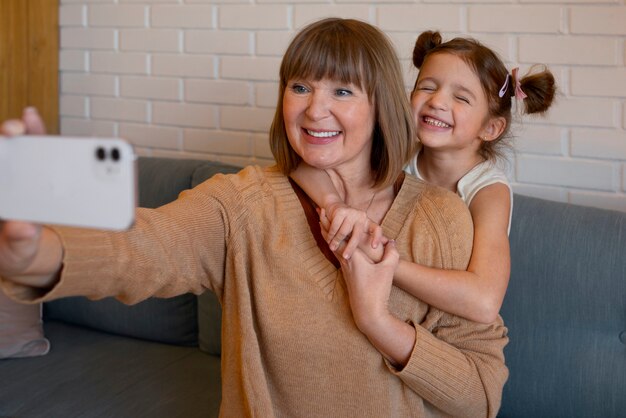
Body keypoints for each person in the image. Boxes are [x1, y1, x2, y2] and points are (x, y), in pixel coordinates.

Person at [0, 19, 509, 417]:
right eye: (300, 86)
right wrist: (38, 254)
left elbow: (481, 395)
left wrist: (378, 322)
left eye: (342, 91)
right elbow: (140, 249)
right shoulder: (241, 204)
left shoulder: (440, 215)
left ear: (382, 107)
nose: (314, 110)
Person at [291, 30, 556, 324]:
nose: (437, 102)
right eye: (428, 87)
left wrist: (385, 261)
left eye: (461, 97)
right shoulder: (396, 156)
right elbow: (304, 164)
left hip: (444, 324)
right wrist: (332, 203)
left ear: (491, 128)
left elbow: (484, 302)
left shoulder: (487, 192)